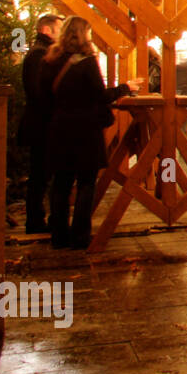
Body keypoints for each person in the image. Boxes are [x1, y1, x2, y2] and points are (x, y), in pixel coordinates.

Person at [40, 17, 137, 250]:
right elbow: (100, 96)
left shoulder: (50, 60)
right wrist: (126, 88)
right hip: (85, 130)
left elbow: (45, 96)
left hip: (59, 127)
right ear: (84, 34)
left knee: (61, 182)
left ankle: (59, 236)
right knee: (86, 182)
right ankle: (80, 236)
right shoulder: (87, 62)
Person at [20, 13, 62, 234]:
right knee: (40, 175)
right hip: (41, 125)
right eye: (59, 29)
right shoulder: (39, 55)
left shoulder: (38, 52)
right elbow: (39, 93)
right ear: (47, 30)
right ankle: (35, 221)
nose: (61, 34)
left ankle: (36, 220)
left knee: (41, 174)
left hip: (40, 123)